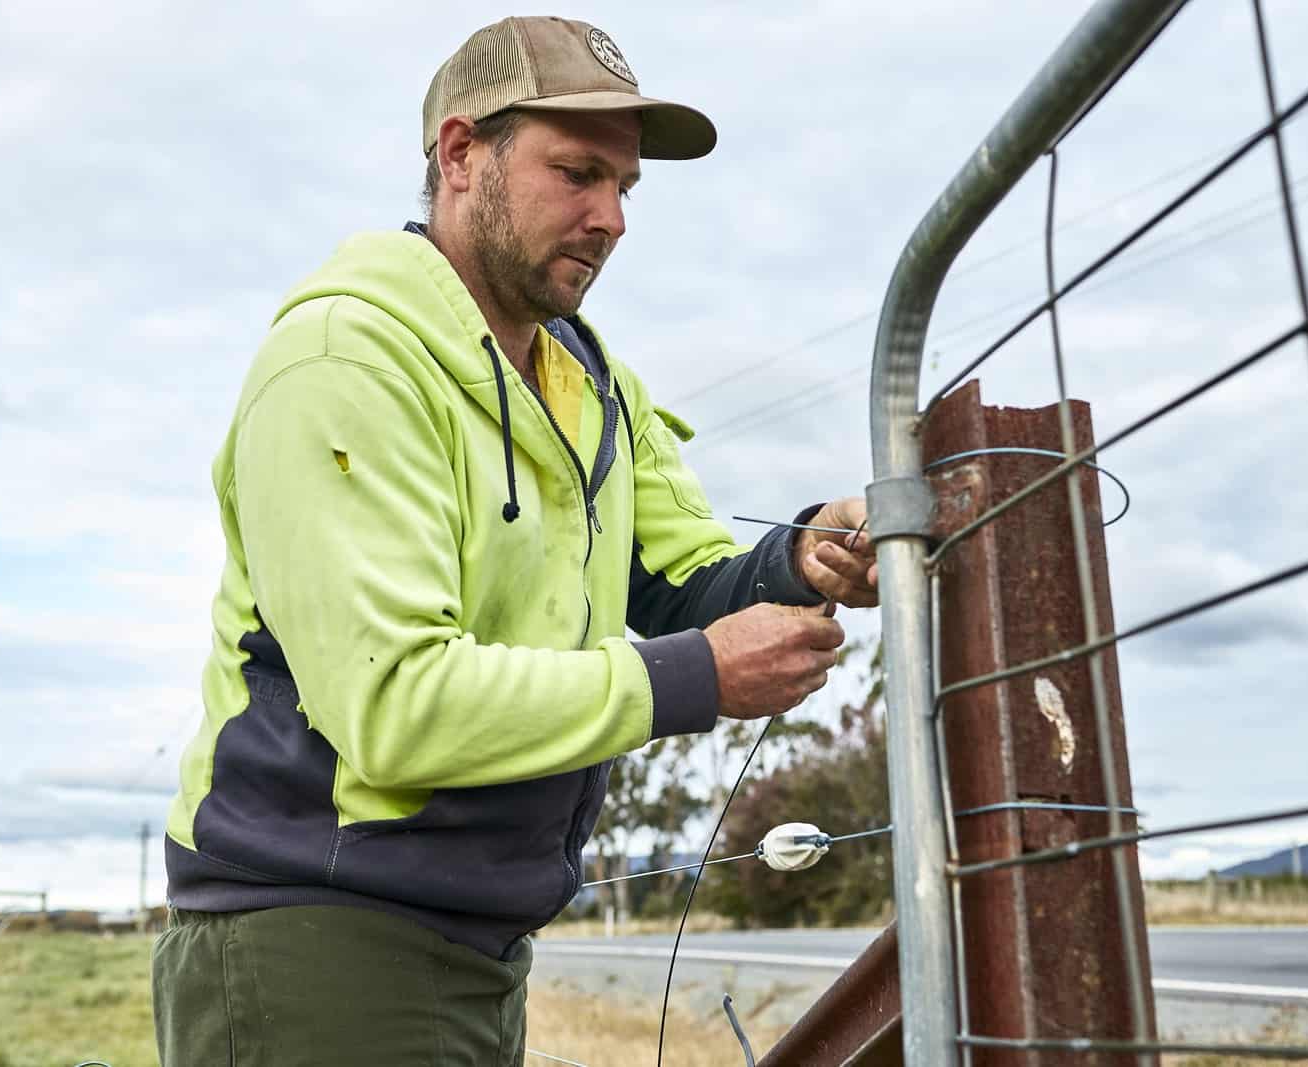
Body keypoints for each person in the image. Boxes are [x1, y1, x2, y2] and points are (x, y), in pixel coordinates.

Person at [152, 15, 879, 1065]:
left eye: (625, 186)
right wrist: (696, 676)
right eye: (577, 173)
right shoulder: (345, 361)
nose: (610, 217)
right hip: (317, 938)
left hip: (483, 942)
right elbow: (395, 703)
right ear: (460, 154)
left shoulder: (589, 381)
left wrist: (803, 555)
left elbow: (679, 579)